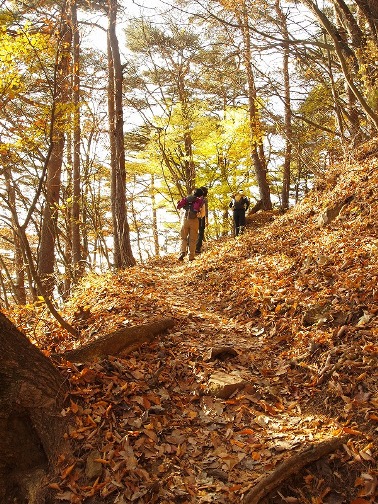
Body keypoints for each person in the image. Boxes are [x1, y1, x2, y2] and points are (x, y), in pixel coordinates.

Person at [177, 188, 204, 261]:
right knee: (192, 239)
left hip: (184, 219)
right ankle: (191, 256)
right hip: (194, 220)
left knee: (183, 238)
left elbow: (179, 207)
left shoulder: (186, 199)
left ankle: (182, 252)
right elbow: (202, 213)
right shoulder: (200, 201)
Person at [196, 186, 208, 254]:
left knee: (194, 232)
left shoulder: (195, 198)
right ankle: (198, 248)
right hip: (202, 217)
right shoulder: (204, 199)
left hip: (194, 216)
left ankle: (190, 247)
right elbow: (206, 210)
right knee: (201, 232)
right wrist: (206, 219)